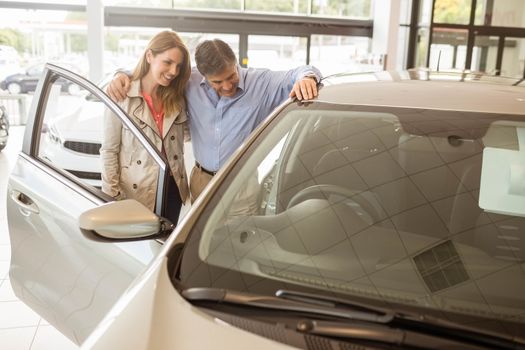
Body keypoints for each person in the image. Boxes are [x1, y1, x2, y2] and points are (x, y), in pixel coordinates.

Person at [108, 38, 322, 201]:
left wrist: (307, 78)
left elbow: (302, 71)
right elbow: (153, 74)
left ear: (235, 62)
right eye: (217, 82)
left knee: (240, 243)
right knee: (199, 245)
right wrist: (122, 75)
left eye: (231, 76)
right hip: (201, 180)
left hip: (241, 182)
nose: (228, 86)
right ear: (202, 75)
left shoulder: (262, 83)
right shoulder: (189, 81)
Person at [101, 30, 191, 224]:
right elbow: (109, 150)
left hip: (171, 190)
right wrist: (112, 197)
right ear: (149, 56)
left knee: (165, 248)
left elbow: (188, 136)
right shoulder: (122, 95)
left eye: (178, 66)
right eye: (167, 62)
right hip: (135, 193)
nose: (173, 72)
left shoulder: (177, 99)